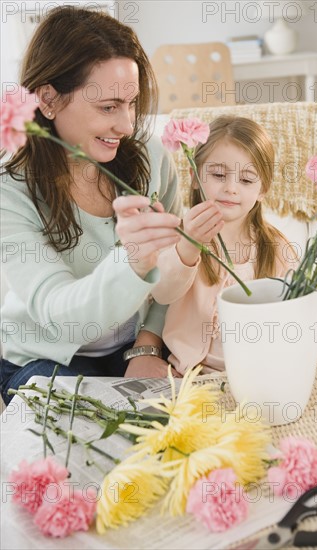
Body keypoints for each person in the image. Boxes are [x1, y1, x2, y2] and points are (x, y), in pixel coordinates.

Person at [0, 6, 183, 405]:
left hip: (133, 347)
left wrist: (148, 344)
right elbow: (63, 316)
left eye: (132, 103)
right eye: (108, 107)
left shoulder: (151, 158)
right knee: (89, 449)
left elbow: (177, 267)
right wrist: (134, 260)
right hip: (44, 357)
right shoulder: (9, 188)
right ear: (48, 99)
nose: (127, 126)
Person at [152, 115, 296, 375]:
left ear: (263, 190)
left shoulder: (275, 247)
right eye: (218, 174)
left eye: (247, 180)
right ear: (195, 177)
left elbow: (293, 313)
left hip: (256, 375)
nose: (231, 188)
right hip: (187, 374)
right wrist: (188, 247)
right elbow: (162, 293)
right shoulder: (179, 235)